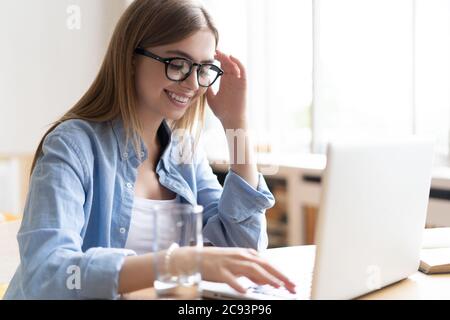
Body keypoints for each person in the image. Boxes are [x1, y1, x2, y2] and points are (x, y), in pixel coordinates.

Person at [5, 0, 295, 299]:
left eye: (203, 69)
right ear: (131, 58)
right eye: (177, 64)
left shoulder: (184, 152)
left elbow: (242, 253)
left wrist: (237, 123)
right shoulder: (73, 145)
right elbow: (48, 272)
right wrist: (176, 262)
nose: (192, 83)